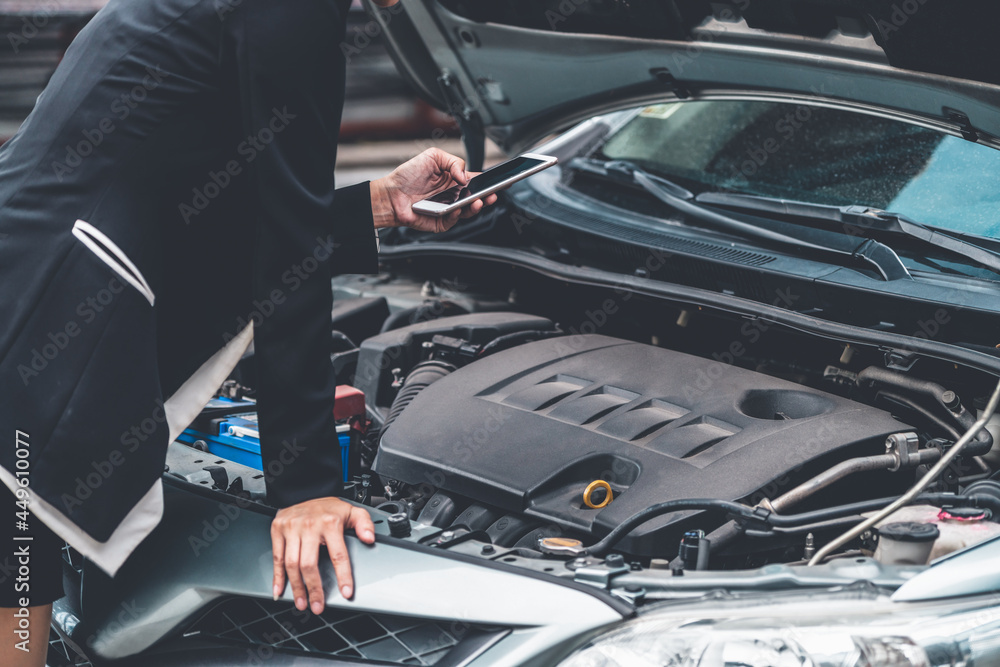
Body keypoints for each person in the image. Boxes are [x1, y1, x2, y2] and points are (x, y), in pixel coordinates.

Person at [0, 0, 496, 664]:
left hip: (34, 285)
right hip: (41, 320)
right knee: (18, 589)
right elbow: (287, 246)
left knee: (18, 579)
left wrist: (377, 205)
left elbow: (222, 198)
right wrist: (308, 488)